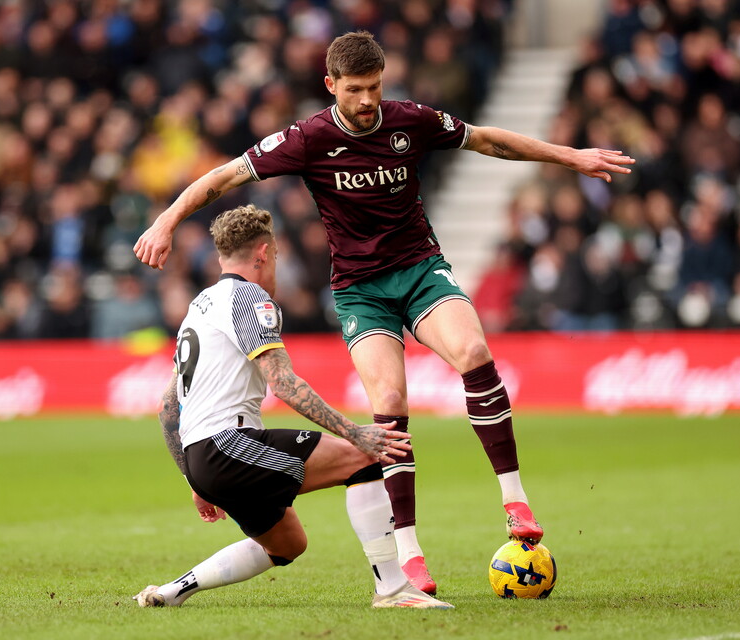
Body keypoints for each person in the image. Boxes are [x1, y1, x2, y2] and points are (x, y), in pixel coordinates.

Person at [134, 31, 636, 595]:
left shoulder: (409, 120)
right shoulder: (307, 138)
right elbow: (223, 176)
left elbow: (486, 140)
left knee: (474, 351)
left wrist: (570, 156)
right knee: (390, 403)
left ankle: (514, 499)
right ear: (331, 85)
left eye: (374, 87)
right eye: (355, 90)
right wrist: (166, 222)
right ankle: (409, 554)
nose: (368, 100)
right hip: (360, 291)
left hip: (420, 269)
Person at [134, 204, 453, 609]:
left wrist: (194, 479)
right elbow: (283, 383)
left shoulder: (199, 306)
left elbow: (167, 407)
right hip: (229, 445)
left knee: (287, 544)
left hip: (202, 457)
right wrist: (355, 433)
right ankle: (392, 590)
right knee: (363, 458)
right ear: (264, 253)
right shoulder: (250, 298)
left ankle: (171, 593)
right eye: (276, 256)